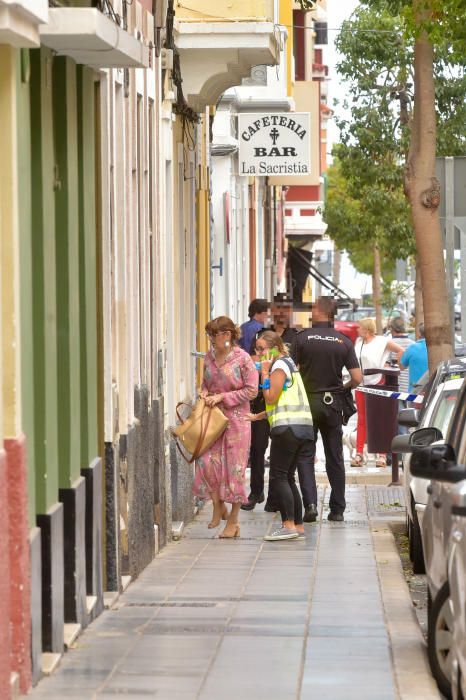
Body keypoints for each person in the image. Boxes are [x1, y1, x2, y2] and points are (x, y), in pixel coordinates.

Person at [291, 296, 362, 522]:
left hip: (307, 403)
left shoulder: (301, 339)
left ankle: (310, 504)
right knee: (335, 457)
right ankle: (337, 509)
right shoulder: (343, 341)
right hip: (332, 404)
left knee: (305, 455)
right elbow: (357, 378)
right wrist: (343, 388)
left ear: (317, 311)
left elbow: (291, 372)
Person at [192, 316, 258, 538]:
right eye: (209, 335)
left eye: (214, 335)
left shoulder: (243, 359)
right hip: (212, 419)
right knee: (205, 461)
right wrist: (203, 393)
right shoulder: (209, 357)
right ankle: (217, 506)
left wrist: (222, 397)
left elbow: (251, 391)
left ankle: (233, 521)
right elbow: (205, 383)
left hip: (237, 421)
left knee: (234, 470)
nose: (211, 340)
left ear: (227, 335)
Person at [247, 331, 315, 541]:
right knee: (287, 477)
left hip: (287, 429)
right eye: (256, 349)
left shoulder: (278, 366)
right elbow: (284, 400)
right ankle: (297, 525)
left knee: (278, 477)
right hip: (300, 427)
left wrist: (264, 373)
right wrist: (259, 416)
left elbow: (271, 396)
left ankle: (287, 525)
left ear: (275, 348)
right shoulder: (289, 364)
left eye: (261, 349)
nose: (257, 354)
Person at [242, 298, 297, 512]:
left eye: (286, 310)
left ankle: (275, 496)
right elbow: (253, 360)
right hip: (260, 400)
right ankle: (256, 491)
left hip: (282, 402)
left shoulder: (295, 336)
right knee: (257, 448)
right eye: (278, 310)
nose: (282, 315)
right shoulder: (261, 334)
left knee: (279, 451)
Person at [354, 318, 404, 467]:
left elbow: (401, 350)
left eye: (359, 327)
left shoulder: (382, 341)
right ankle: (359, 453)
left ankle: (381, 455)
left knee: (378, 420)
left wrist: (397, 368)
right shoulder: (358, 343)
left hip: (377, 383)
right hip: (361, 384)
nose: (357, 330)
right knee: (362, 419)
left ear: (367, 329)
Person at [388, 317, 414, 435]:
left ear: (392, 329)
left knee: (400, 418)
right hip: (410, 386)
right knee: (411, 417)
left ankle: (403, 447)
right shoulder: (412, 344)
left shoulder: (389, 345)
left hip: (395, 386)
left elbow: (386, 365)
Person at [398, 323, 428, 393]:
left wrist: (399, 355)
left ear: (419, 334)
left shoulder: (412, 348)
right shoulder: (436, 349)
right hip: (433, 391)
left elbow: (402, 367)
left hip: (414, 392)